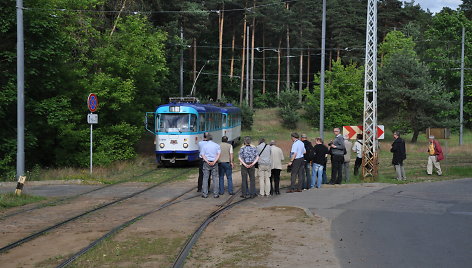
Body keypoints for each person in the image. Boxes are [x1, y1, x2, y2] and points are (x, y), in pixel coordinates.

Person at [200, 133, 221, 198]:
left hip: (206, 163)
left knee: (205, 178)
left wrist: (207, 161)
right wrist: (214, 161)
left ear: (207, 138)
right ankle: (216, 194)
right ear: (212, 138)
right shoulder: (217, 145)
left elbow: (202, 155)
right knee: (215, 178)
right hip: (215, 163)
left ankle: (205, 194)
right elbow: (218, 154)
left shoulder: (204, 146)